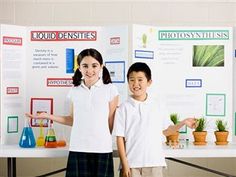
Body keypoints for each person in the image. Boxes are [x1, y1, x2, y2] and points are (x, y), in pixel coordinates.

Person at [26, 48, 119, 177]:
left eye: (94, 65)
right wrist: (47, 116)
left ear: (101, 67)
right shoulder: (74, 90)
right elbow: (72, 119)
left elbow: (111, 122)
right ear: (79, 68)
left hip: (102, 148)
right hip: (78, 147)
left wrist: (99, 136)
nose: (90, 70)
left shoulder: (111, 90)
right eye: (85, 66)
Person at [113, 62, 196, 177]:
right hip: (131, 164)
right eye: (132, 80)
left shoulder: (158, 105)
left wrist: (183, 123)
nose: (135, 83)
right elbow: (120, 138)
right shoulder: (123, 108)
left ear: (149, 82)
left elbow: (167, 130)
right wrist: (125, 163)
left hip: (154, 163)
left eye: (140, 79)